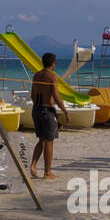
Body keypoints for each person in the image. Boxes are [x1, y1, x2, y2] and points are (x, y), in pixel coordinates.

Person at [30, 52, 68, 180]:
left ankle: (33, 165)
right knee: (49, 142)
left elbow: (32, 95)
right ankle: (47, 172)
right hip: (47, 111)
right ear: (53, 63)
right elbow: (56, 96)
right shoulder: (52, 77)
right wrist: (65, 111)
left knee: (41, 140)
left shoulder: (36, 75)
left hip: (36, 109)